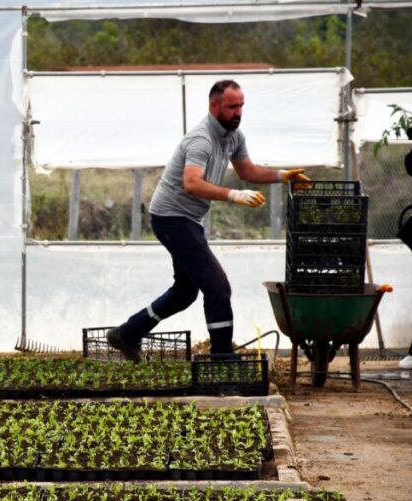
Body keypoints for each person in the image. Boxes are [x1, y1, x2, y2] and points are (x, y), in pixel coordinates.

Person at [107, 80, 310, 362]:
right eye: (232, 107)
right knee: (217, 285)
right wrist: (234, 195)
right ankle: (222, 356)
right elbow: (191, 183)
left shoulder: (234, 136)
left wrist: (282, 175)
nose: (238, 112)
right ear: (213, 106)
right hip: (171, 218)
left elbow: (247, 170)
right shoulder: (200, 140)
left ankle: (126, 334)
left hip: (189, 220)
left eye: (241, 106)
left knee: (184, 293)